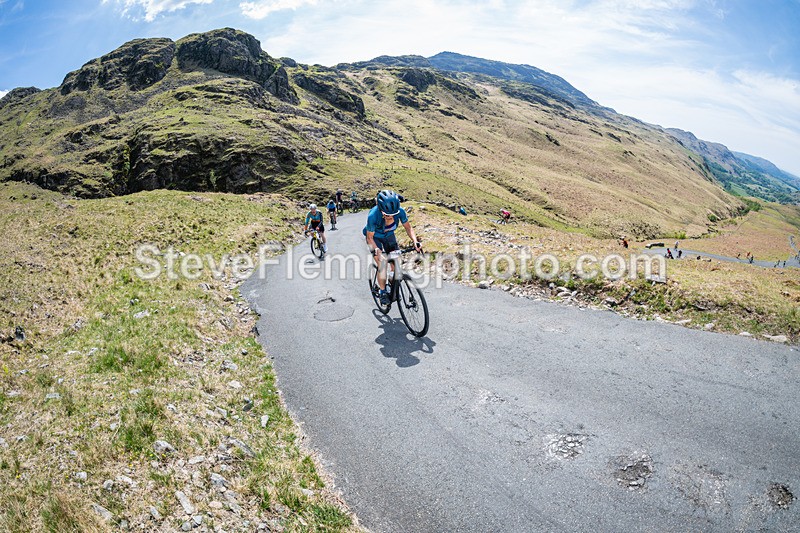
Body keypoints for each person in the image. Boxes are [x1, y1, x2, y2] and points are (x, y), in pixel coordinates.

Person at [364, 190, 421, 305]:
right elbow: (369, 238)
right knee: (382, 264)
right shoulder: (373, 216)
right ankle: (383, 291)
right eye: (387, 215)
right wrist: (377, 250)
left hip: (389, 236)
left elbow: (408, 228)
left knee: (395, 263)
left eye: (394, 215)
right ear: (381, 210)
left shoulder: (400, 211)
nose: (391, 217)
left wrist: (415, 241)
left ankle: (391, 279)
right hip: (375, 238)